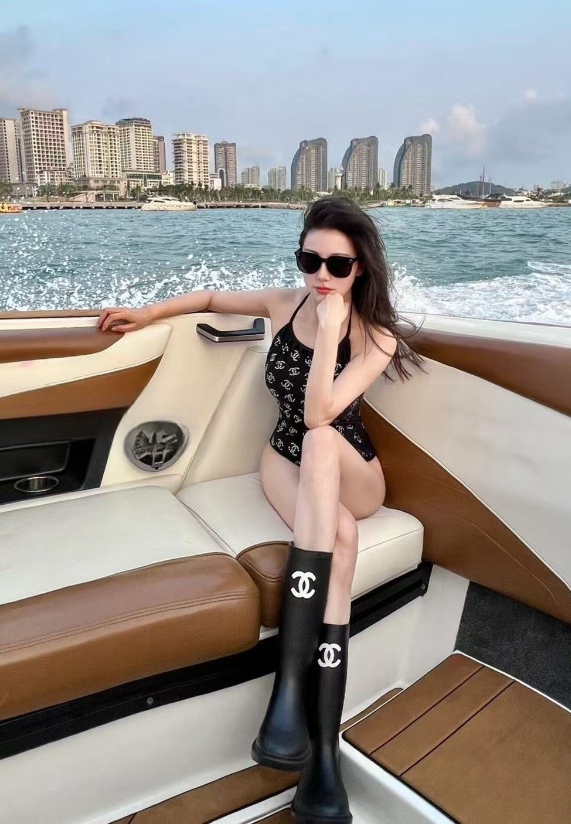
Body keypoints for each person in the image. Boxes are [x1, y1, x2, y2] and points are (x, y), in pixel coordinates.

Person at [97, 196, 422, 824]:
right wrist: (148, 313)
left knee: (322, 439)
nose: (321, 275)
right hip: (285, 460)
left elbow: (321, 414)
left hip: (351, 470)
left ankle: (288, 691)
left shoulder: (375, 336)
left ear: (360, 268)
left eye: (338, 265)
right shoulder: (284, 303)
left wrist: (331, 331)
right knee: (341, 541)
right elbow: (211, 299)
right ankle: (322, 754)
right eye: (310, 260)